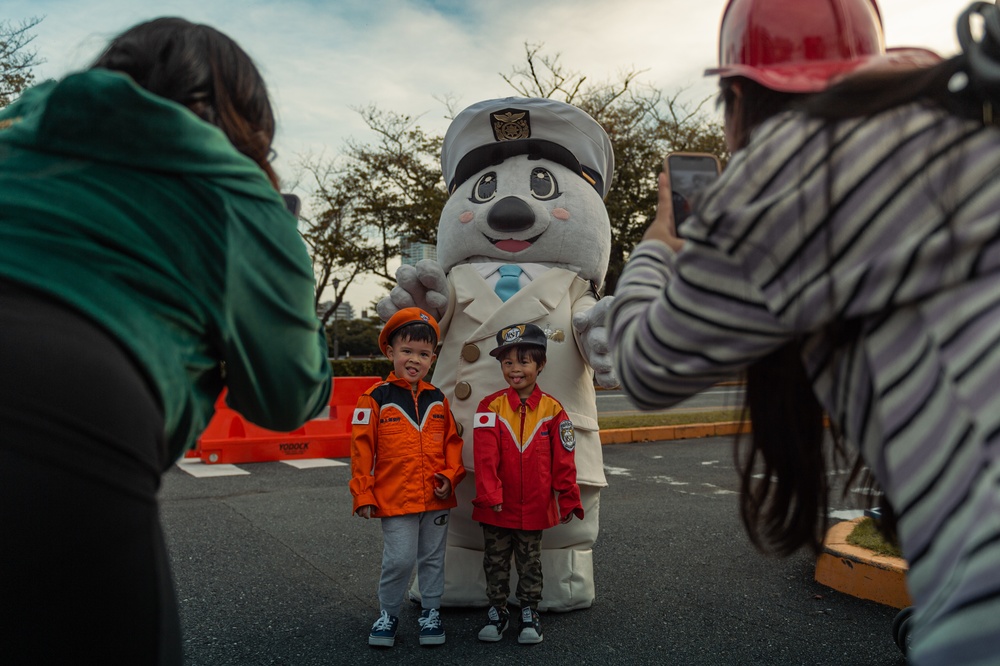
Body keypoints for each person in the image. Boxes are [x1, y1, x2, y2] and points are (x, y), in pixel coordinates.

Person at [608, 0, 1000, 664]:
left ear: (737, 97)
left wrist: (657, 244)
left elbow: (644, 366)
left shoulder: (778, 179)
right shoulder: (957, 119)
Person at [0, 17, 332, 666]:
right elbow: (287, 397)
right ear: (246, 113)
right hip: (69, 406)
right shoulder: (235, 192)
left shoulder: (16, 133)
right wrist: (283, 240)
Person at [349, 307, 466, 648]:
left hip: (436, 499)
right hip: (395, 498)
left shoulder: (438, 399)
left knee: (432, 558)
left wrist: (450, 475)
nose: (415, 360)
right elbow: (361, 452)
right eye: (407, 351)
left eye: (424, 354)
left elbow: (452, 444)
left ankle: (431, 612)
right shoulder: (374, 399)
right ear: (390, 352)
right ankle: (388, 613)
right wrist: (363, 494)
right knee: (399, 559)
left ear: (433, 358)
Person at [472, 322, 584, 644]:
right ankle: (497, 610)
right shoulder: (489, 407)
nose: (514, 369)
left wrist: (568, 498)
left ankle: (528, 612)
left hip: (535, 507)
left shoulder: (553, 410)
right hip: (496, 506)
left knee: (530, 561)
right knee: (495, 562)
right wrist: (490, 493)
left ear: (541, 364)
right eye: (507, 362)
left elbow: (564, 461)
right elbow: (484, 458)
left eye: (523, 361)